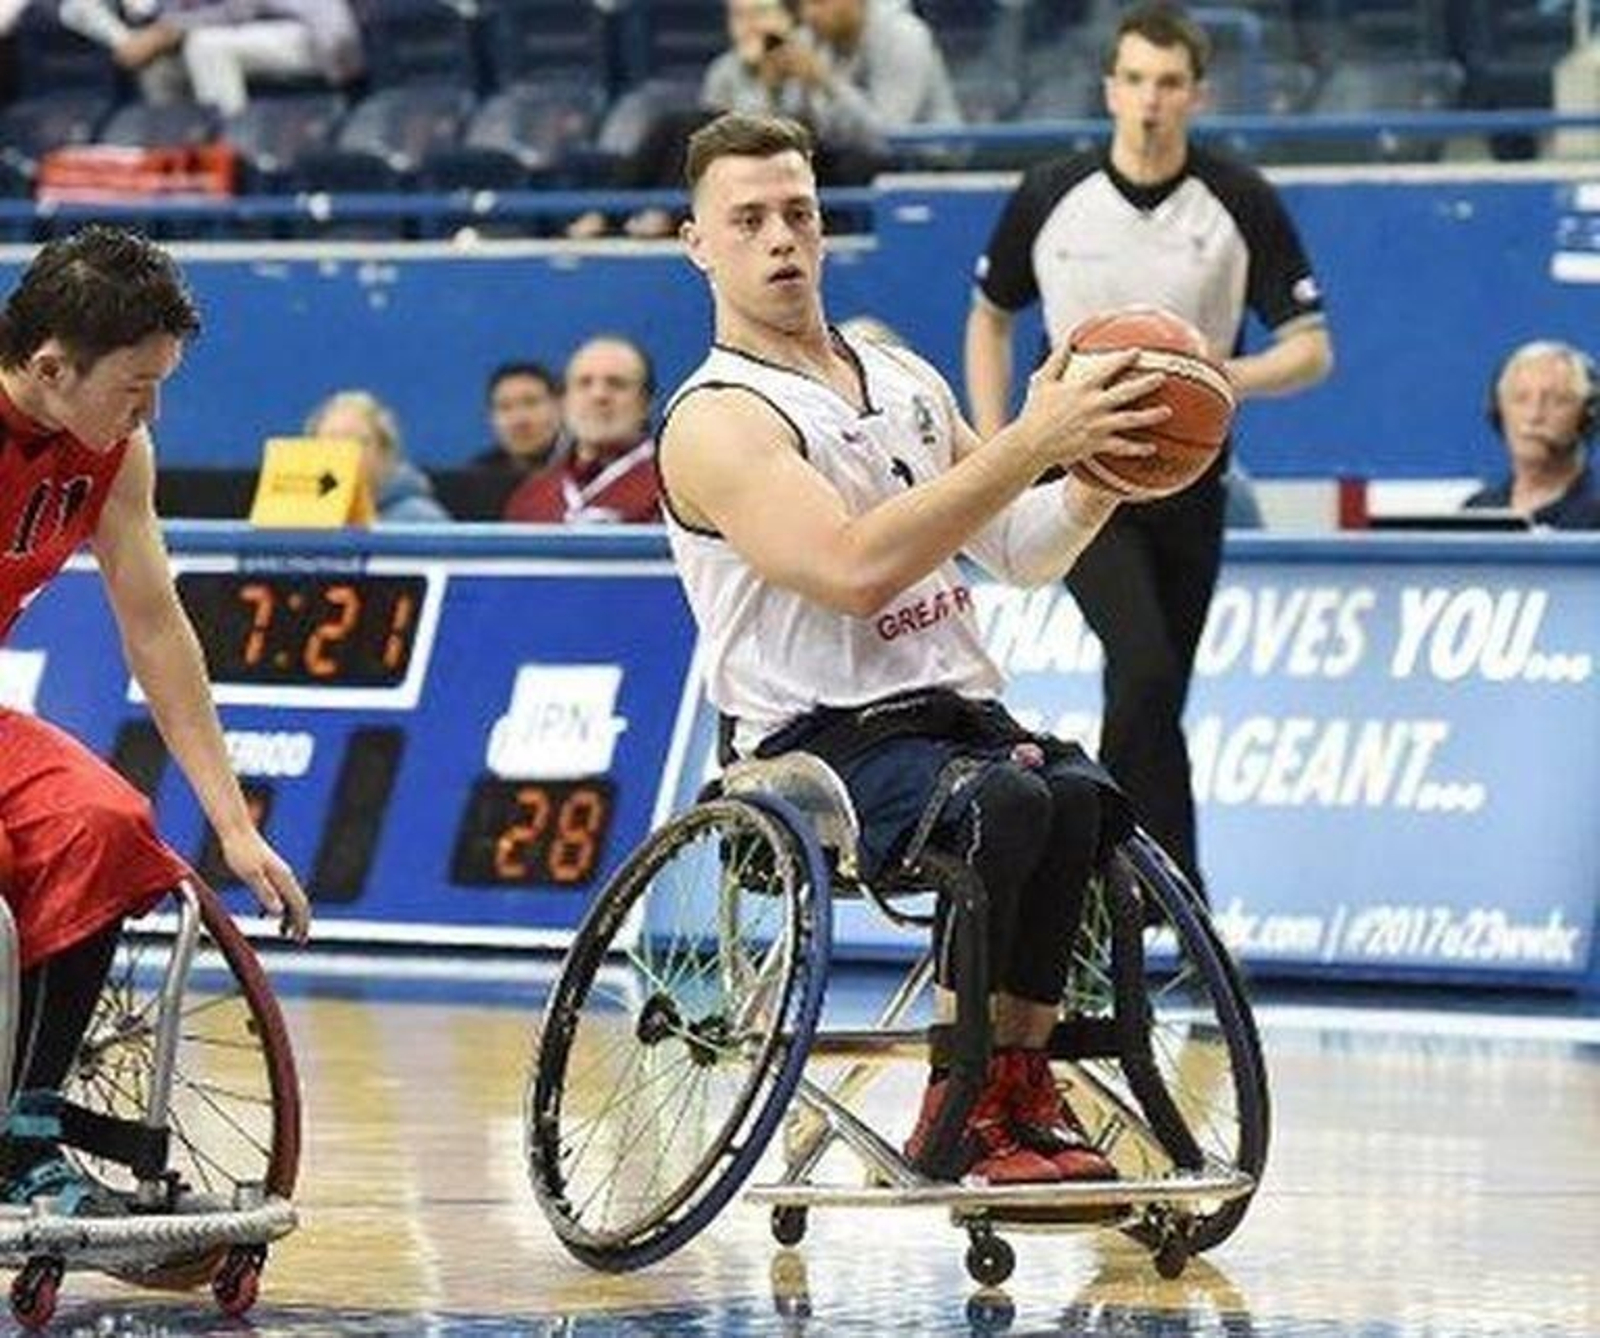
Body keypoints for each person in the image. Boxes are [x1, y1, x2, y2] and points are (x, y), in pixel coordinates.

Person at [660, 111, 1173, 1185]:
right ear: (696, 243)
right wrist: (1031, 441)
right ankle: (964, 1102)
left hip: (953, 717)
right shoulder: (717, 419)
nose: (780, 239)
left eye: (797, 213)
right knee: (1009, 806)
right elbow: (852, 569)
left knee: (1079, 799)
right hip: (813, 747)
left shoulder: (904, 380)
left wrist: (1091, 480)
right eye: (746, 220)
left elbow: (1020, 553)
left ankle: (1021, 1094)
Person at [964, 2, 1332, 893]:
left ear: (1196, 93)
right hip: (1079, 471)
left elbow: (1313, 347)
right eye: (1134, 80)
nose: (1150, 100)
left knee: (1153, 693)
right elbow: (989, 319)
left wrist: (1214, 378)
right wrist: (1003, 447)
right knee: (1146, 666)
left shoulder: (1238, 197)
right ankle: (1169, 897)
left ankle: (1111, 894)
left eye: (1169, 83)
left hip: (1188, 475)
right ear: (1109, 89)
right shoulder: (1052, 193)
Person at [0, 225, 310, 1209]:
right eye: (135, 386)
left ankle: (29, 1130)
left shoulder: (115, 454)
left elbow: (158, 631)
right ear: (51, 368)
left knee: (103, 825)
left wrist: (232, 824)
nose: (152, 409)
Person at [58, 0, 362, 116]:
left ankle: (227, 142)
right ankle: (174, 147)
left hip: (315, 36)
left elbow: (240, 8)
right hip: (244, 33)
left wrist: (166, 33)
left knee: (206, 45)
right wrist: (139, 41)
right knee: (159, 66)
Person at [502, 336, 661, 524]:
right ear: (564, 400)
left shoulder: (672, 489)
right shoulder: (530, 497)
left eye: (616, 384)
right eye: (584, 383)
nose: (599, 395)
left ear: (646, 403)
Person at [1463, 340, 1600, 529]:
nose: (1534, 415)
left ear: (1588, 417)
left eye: (1557, 401)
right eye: (1520, 399)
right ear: (1498, 412)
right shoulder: (1477, 513)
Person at [305, 389, 451, 524]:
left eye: (357, 443)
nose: (343, 454)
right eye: (330, 444)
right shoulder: (300, 519)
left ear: (384, 451)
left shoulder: (421, 520)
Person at [469, 361, 567, 475]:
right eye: (505, 407)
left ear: (559, 407)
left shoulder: (587, 467)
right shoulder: (477, 475)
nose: (519, 420)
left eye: (531, 402)